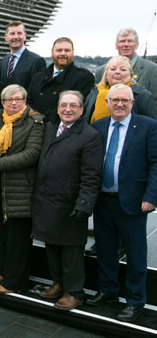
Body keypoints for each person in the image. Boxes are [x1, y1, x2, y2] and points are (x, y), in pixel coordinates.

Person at [86, 84, 157, 322]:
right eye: (115, 100)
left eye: (124, 101)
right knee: (105, 250)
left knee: (136, 254)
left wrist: (151, 196)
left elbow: (155, 163)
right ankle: (108, 291)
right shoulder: (98, 127)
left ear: (132, 103)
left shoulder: (148, 126)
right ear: (107, 103)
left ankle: (136, 300)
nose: (119, 104)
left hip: (133, 202)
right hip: (103, 201)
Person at [32, 91, 103, 310]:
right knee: (52, 245)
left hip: (70, 203)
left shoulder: (89, 136)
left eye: (73, 105)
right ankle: (58, 283)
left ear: (82, 110)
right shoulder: (52, 128)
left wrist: (84, 205)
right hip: (47, 200)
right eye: (64, 105)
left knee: (71, 250)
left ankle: (74, 292)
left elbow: (92, 175)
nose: (68, 109)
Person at [0, 84, 44, 294]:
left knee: (19, 238)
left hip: (20, 188)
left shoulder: (35, 122)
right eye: (8, 100)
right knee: (5, 233)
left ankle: (16, 282)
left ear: (25, 101)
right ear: (3, 102)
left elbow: (33, 152)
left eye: (17, 99)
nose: (13, 103)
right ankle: (6, 271)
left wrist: (2, 163)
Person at [27, 37, 94, 122]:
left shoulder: (84, 77)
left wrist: (46, 118)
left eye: (67, 50)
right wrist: (36, 117)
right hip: (36, 125)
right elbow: (28, 101)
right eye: (59, 50)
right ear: (52, 52)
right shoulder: (37, 76)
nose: (63, 53)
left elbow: (78, 106)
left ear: (73, 53)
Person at [84, 55, 157, 122]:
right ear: (106, 74)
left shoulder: (142, 95)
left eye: (123, 69)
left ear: (130, 75)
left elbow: (152, 125)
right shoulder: (94, 94)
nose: (117, 72)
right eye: (113, 69)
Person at [94, 28, 157, 103]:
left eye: (130, 41)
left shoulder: (152, 69)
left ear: (137, 45)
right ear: (116, 45)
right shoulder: (101, 71)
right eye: (122, 41)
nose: (126, 44)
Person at [0, 21, 46, 89]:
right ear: (6, 37)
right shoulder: (4, 61)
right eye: (12, 33)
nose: (16, 37)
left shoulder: (36, 60)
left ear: (25, 36)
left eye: (19, 33)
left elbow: (39, 89)